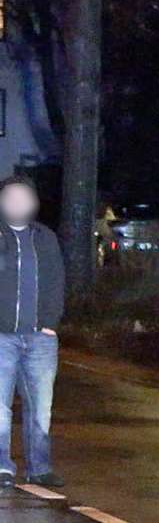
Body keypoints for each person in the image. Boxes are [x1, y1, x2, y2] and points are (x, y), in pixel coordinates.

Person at [0, 176, 63, 490]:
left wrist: (50, 322)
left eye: (23, 197)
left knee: (40, 406)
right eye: (10, 197)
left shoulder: (45, 238)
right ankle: (2, 466)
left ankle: (38, 468)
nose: (17, 203)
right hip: (1, 338)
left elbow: (56, 281)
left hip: (40, 337)